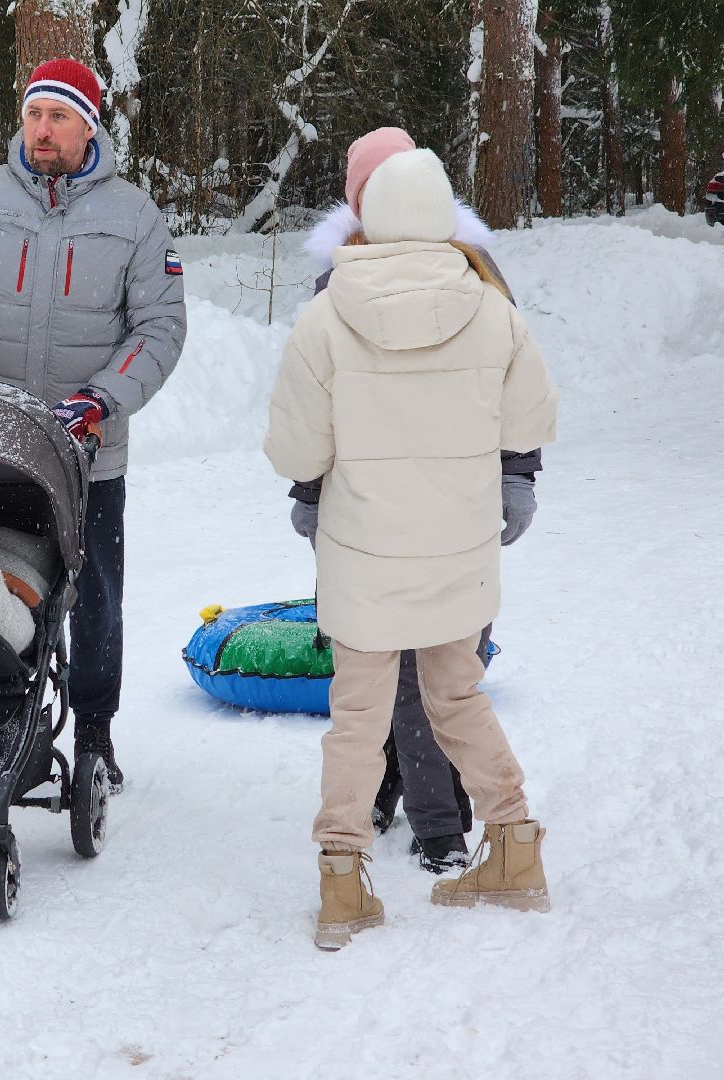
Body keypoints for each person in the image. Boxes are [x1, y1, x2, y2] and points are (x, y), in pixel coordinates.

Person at [263, 147, 558, 949]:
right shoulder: (494, 309)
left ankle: (342, 884)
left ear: (368, 217)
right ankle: (514, 849)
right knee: (457, 698)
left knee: (358, 718)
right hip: (459, 549)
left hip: (363, 554)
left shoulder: (326, 315)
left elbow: (296, 452)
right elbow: (530, 423)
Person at [0, 58, 187, 792]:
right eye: (34, 115)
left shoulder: (134, 217)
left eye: (59, 116)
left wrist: (101, 400)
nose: (43, 130)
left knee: (93, 598)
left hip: (86, 451)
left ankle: (93, 729)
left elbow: (159, 326)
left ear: (89, 126)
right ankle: (2, 720)